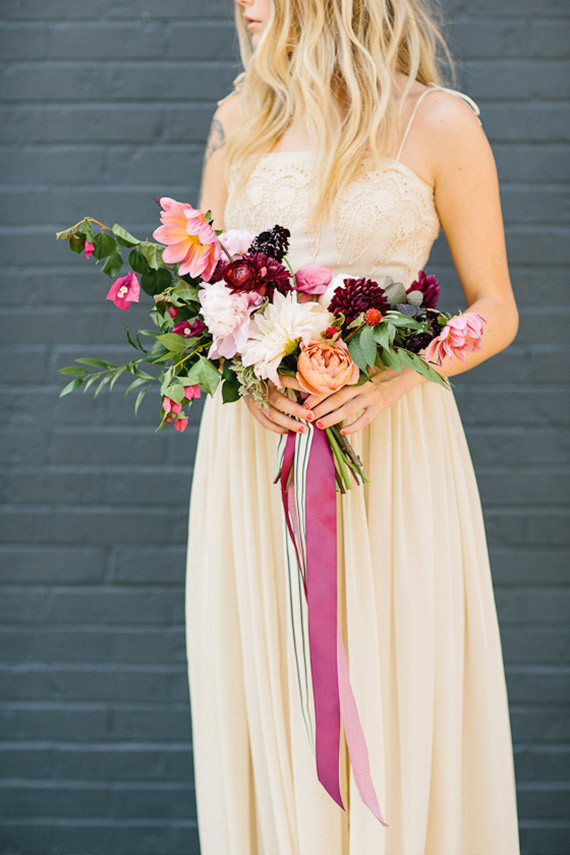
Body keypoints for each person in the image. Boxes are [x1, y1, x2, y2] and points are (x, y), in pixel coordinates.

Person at [185, 0, 521, 852]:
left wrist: (406, 373)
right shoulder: (239, 119)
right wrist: (242, 379)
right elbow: (207, 293)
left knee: (396, 668)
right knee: (272, 682)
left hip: (392, 441)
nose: (246, 8)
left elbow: (498, 307)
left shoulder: (438, 121)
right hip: (260, 446)